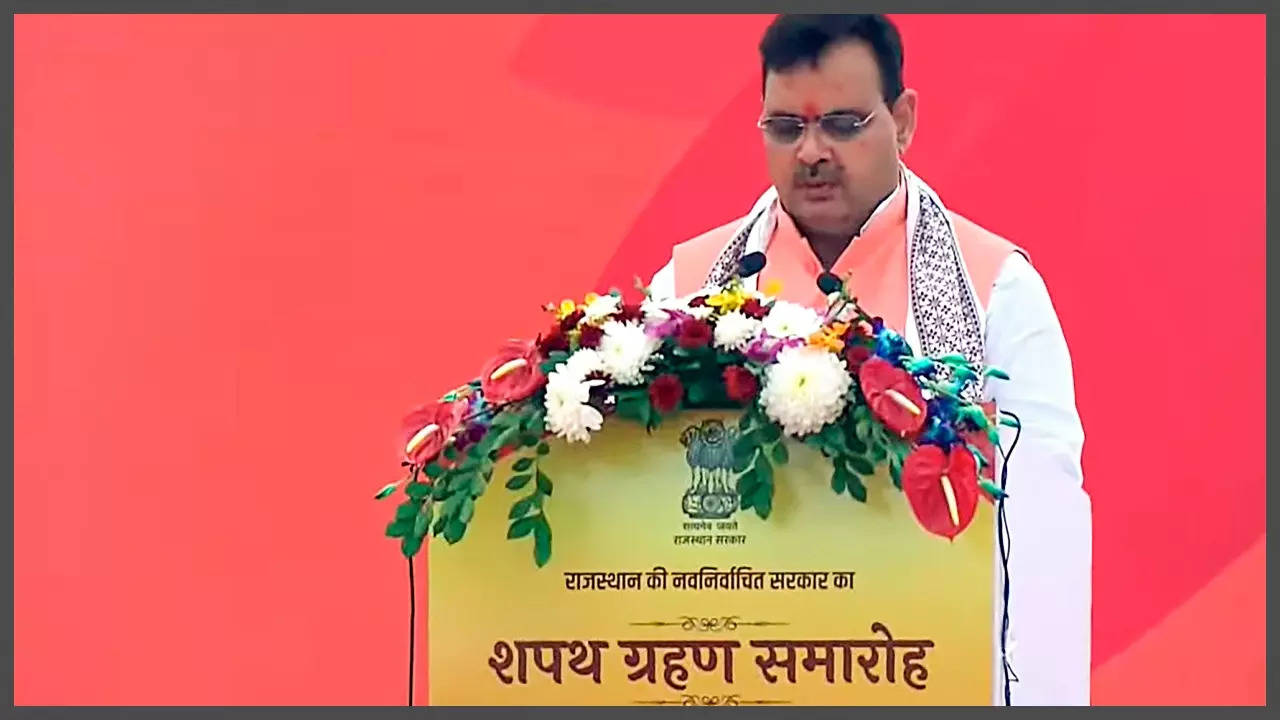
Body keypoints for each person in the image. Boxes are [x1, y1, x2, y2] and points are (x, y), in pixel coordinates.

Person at [648, 14, 1092, 706]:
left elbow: (1042, 532)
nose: (812, 152)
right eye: (787, 127)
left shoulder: (995, 292)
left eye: (844, 124)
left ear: (903, 120)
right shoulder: (688, 291)